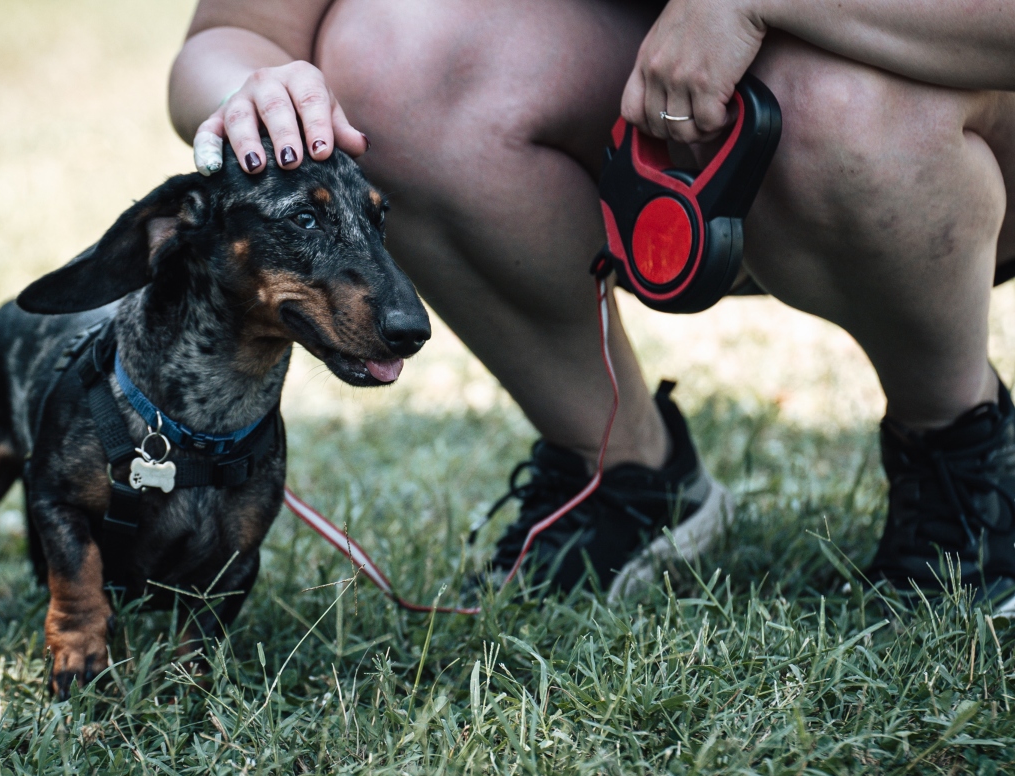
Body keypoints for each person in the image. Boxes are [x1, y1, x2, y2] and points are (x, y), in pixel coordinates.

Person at [167, 0, 1015, 607]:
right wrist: (254, 94)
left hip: (928, 114)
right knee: (389, 58)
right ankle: (628, 473)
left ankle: (963, 451)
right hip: (651, 134)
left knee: (834, 100)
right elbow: (230, 37)